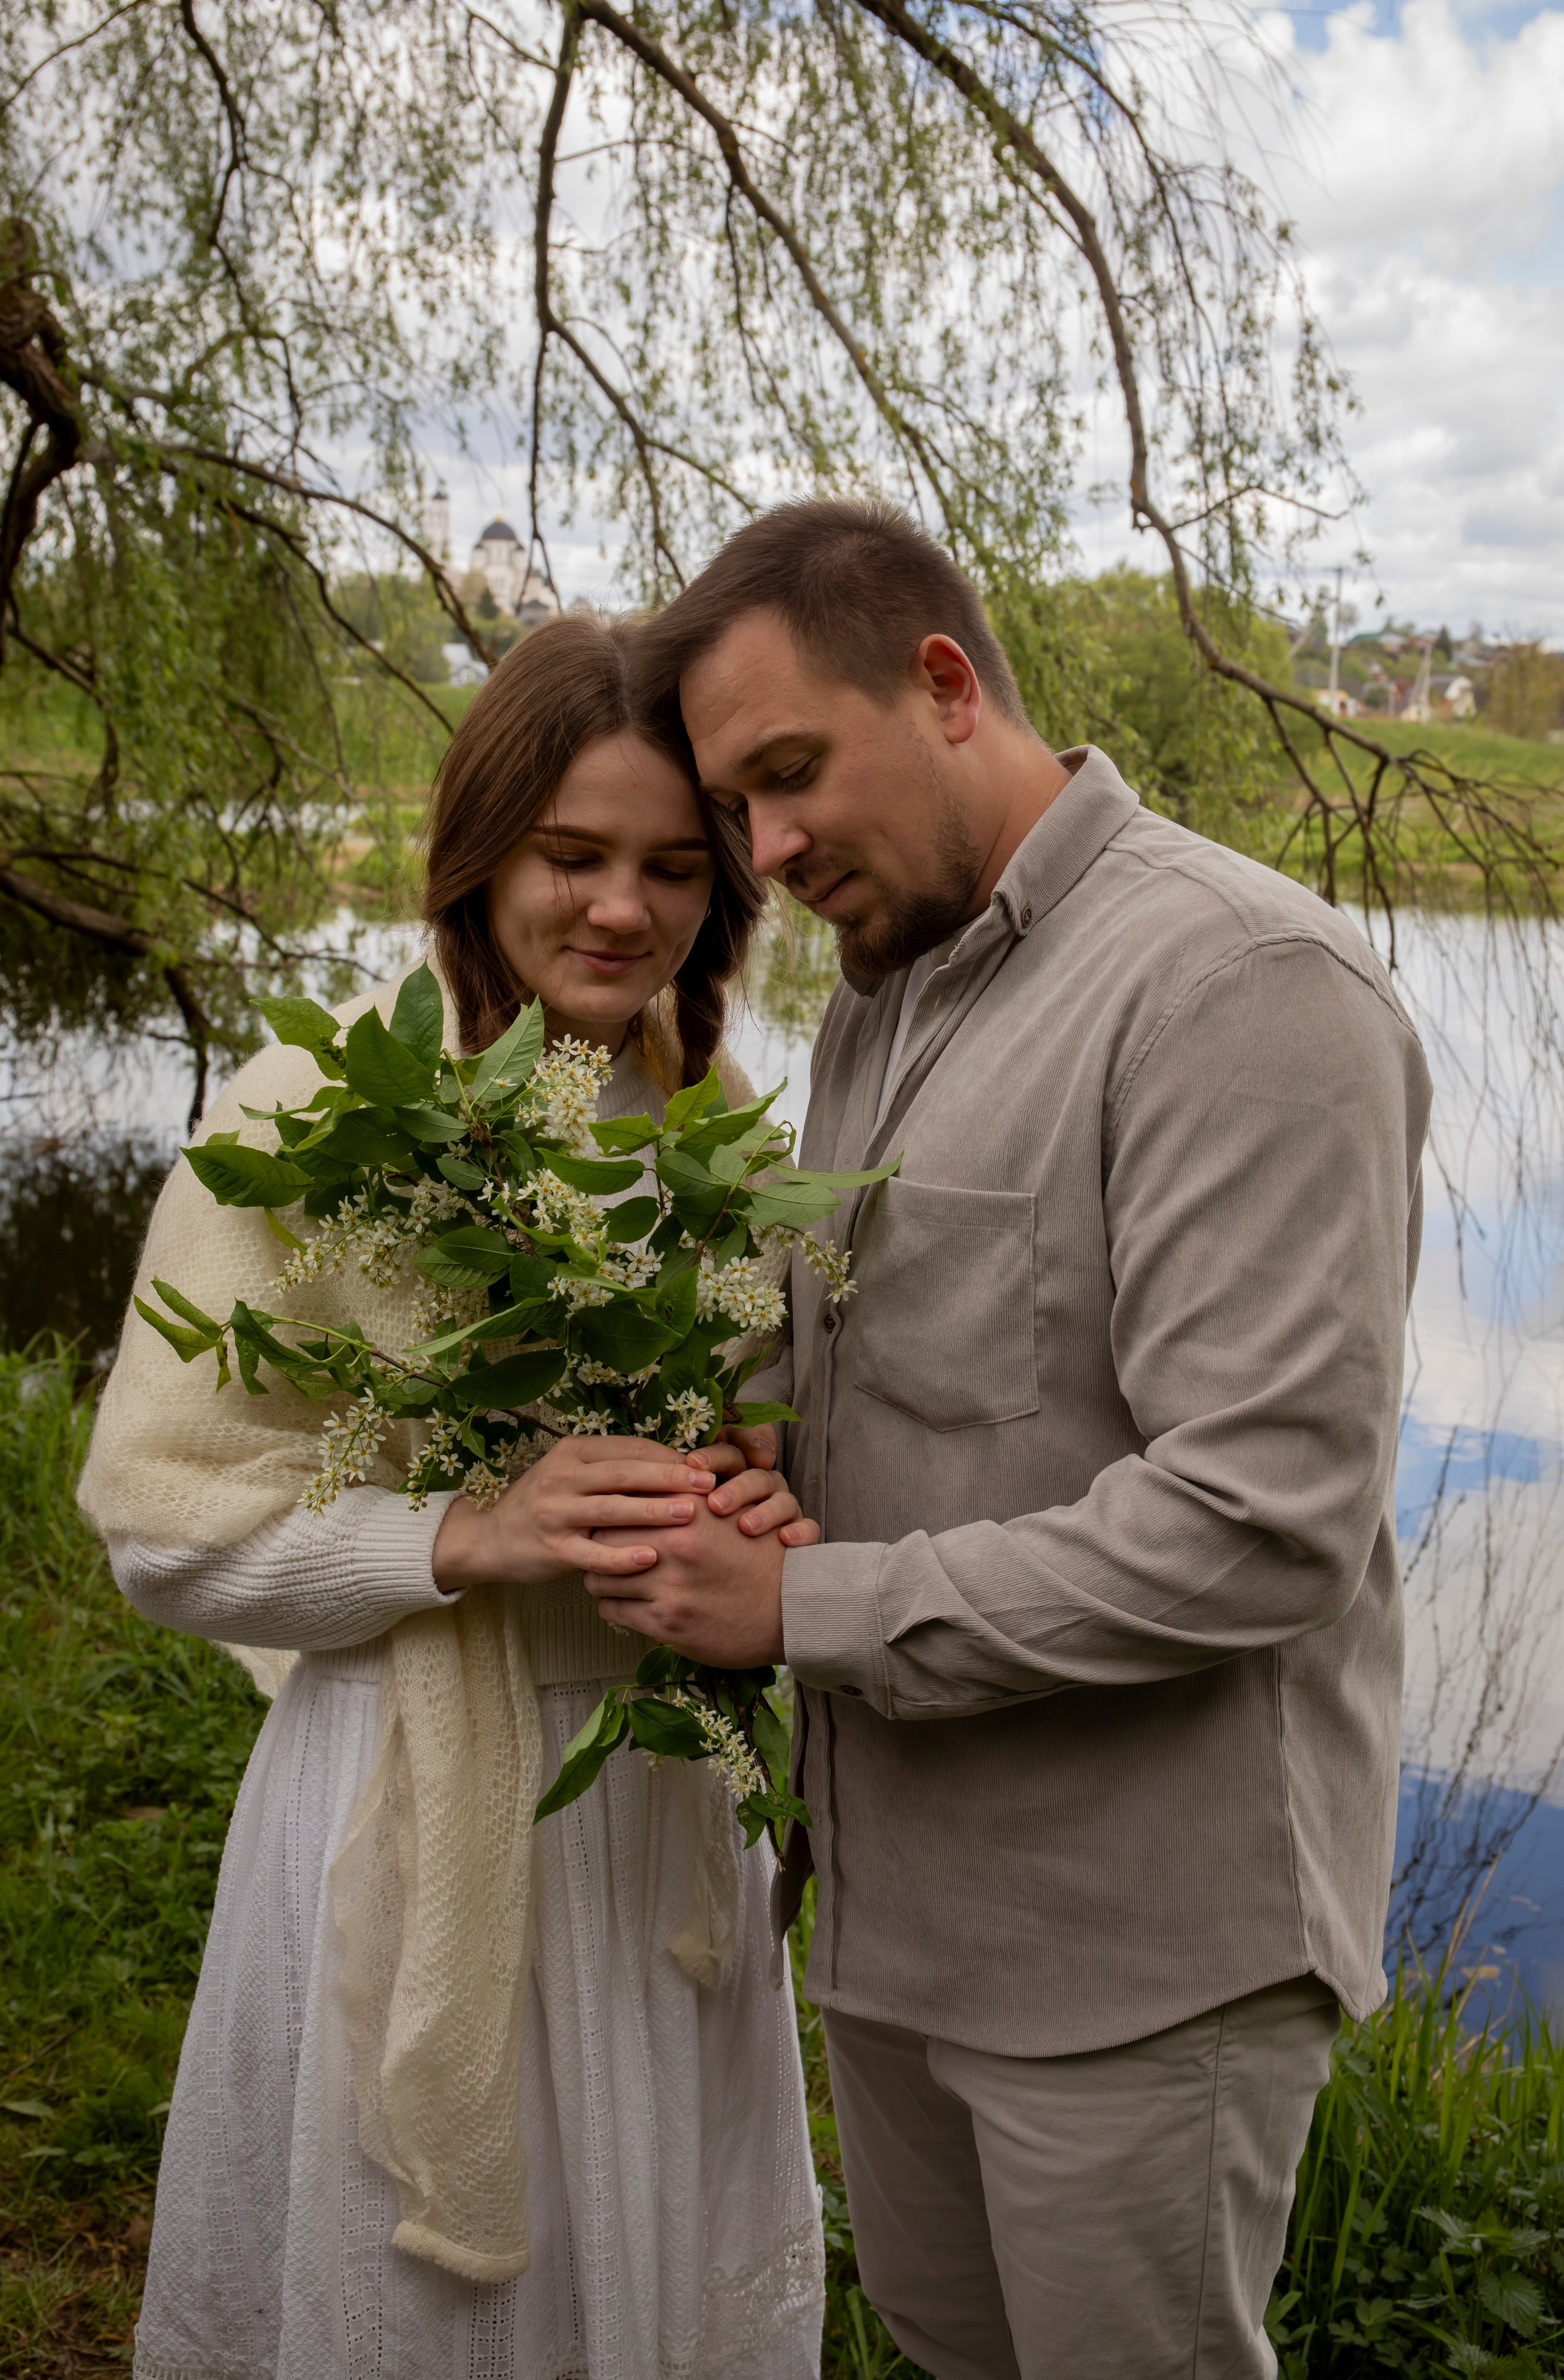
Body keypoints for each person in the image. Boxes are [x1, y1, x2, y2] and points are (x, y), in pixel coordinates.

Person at [584, 500, 1433, 2378]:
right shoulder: (879, 1006)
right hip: (901, 1926)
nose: (767, 850)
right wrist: (754, 1471)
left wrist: (795, 1615)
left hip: (1138, 1960)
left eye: (789, 775)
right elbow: (915, 1401)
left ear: (947, 686)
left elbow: (1261, 1519)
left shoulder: (1234, 989)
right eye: (736, 808)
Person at [78, 613, 828, 2380]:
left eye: (670, 867)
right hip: (418, 1789)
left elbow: (757, 1426)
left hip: (651, 1806)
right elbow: (165, 1525)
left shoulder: (713, 1124)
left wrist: (754, 1484)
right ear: (482, 847)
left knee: (652, 2270)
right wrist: (456, 1534)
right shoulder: (310, 1110)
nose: (620, 911)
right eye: (572, 855)